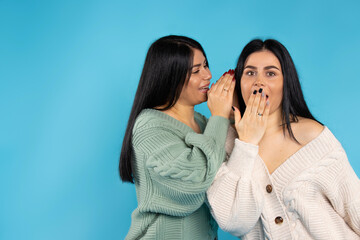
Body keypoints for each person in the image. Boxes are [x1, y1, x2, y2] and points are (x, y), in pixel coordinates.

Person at [207, 39, 360, 239]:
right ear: (239, 83)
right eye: (250, 72)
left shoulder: (312, 136)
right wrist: (246, 142)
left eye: (270, 73)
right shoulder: (224, 142)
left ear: (285, 82)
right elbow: (233, 221)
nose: (258, 82)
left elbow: (355, 208)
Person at [119, 35, 235, 239]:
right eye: (196, 71)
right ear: (170, 77)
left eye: (206, 65)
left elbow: (229, 175)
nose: (208, 75)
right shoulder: (149, 127)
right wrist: (219, 117)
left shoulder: (202, 122)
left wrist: (232, 119)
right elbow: (197, 179)